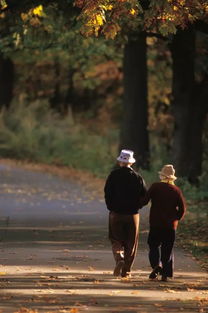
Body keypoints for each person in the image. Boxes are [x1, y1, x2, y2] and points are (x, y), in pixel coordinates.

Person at [104, 149, 147, 278]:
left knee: (115, 239)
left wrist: (111, 207)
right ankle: (126, 271)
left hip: (116, 214)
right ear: (131, 163)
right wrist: (138, 206)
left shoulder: (113, 175)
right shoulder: (138, 177)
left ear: (120, 162)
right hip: (132, 215)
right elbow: (145, 196)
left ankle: (119, 258)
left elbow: (107, 193)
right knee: (131, 243)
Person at [141, 164, 186, 281]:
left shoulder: (155, 187)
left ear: (162, 176)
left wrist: (135, 203)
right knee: (167, 248)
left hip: (156, 223)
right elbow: (182, 209)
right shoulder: (176, 190)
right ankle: (165, 274)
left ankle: (156, 266)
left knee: (153, 245)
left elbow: (145, 201)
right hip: (170, 226)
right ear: (172, 178)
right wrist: (176, 219)